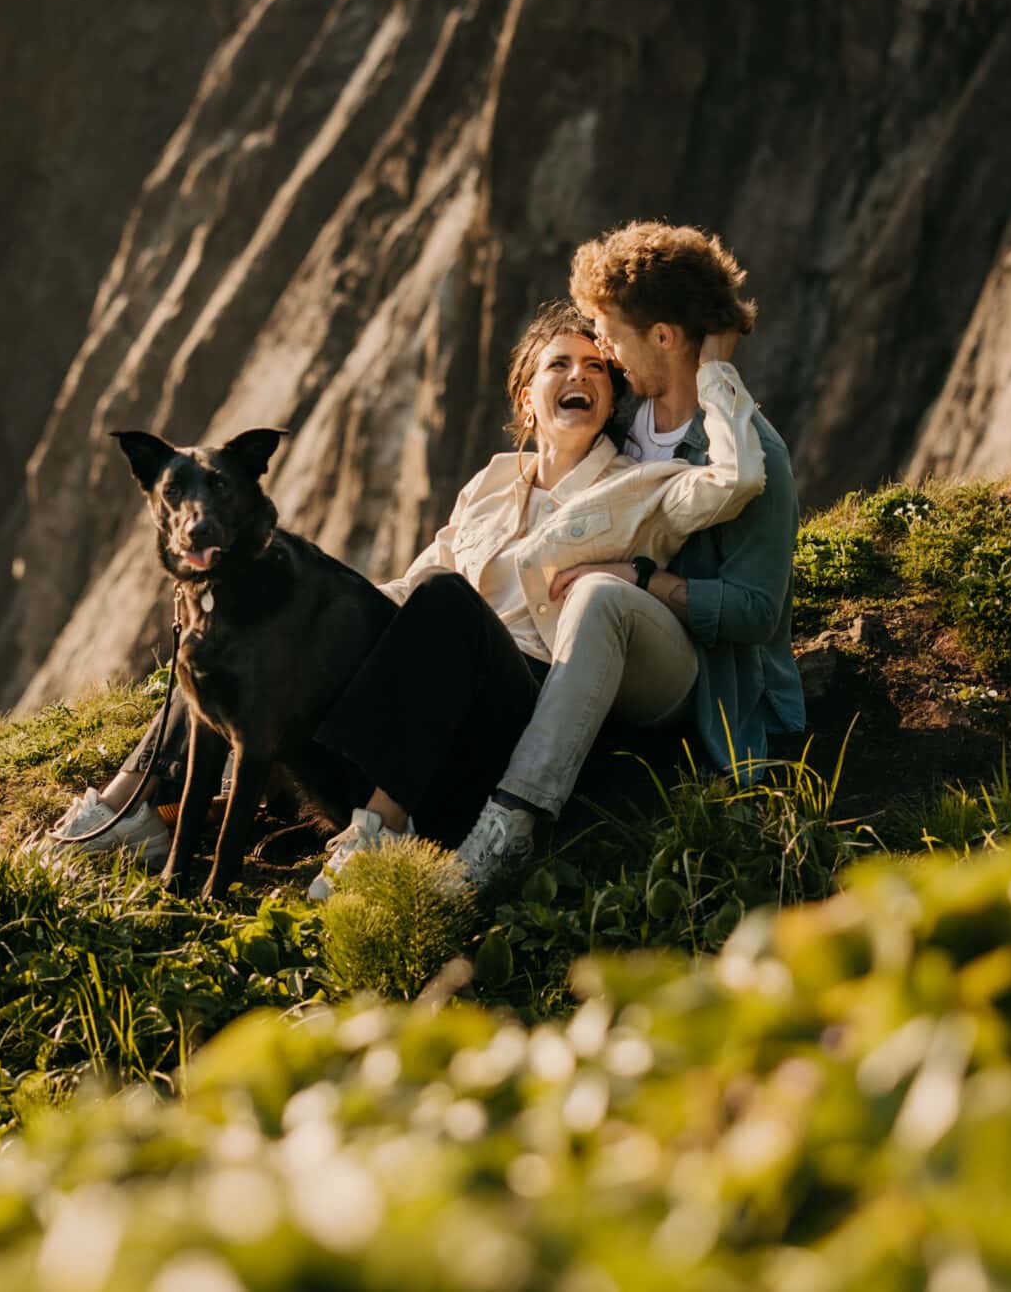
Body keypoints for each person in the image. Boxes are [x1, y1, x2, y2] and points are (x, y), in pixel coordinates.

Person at [44, 297, 768, 897]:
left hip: (512, 711)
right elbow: (402, 588)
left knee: (451, 600)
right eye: (560, 363)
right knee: (277, 591)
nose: (580, 374)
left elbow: (736, 482)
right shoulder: (489, 484)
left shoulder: (638, 485)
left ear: (610, 396)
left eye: (596, 367)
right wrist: (305, 607)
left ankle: (378, 836)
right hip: (408, 729)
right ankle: (131, 807)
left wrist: (715, 367)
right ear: (528, 396)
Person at [445, 223, 808, 889]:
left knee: (601, 595)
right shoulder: (627, 424)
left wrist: (646, 578)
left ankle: (512, 825)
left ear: (664, 337)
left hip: (703, 677)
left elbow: (758, 615)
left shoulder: (754, 452)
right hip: (583, 658)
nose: (601, 349)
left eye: (609, 333)